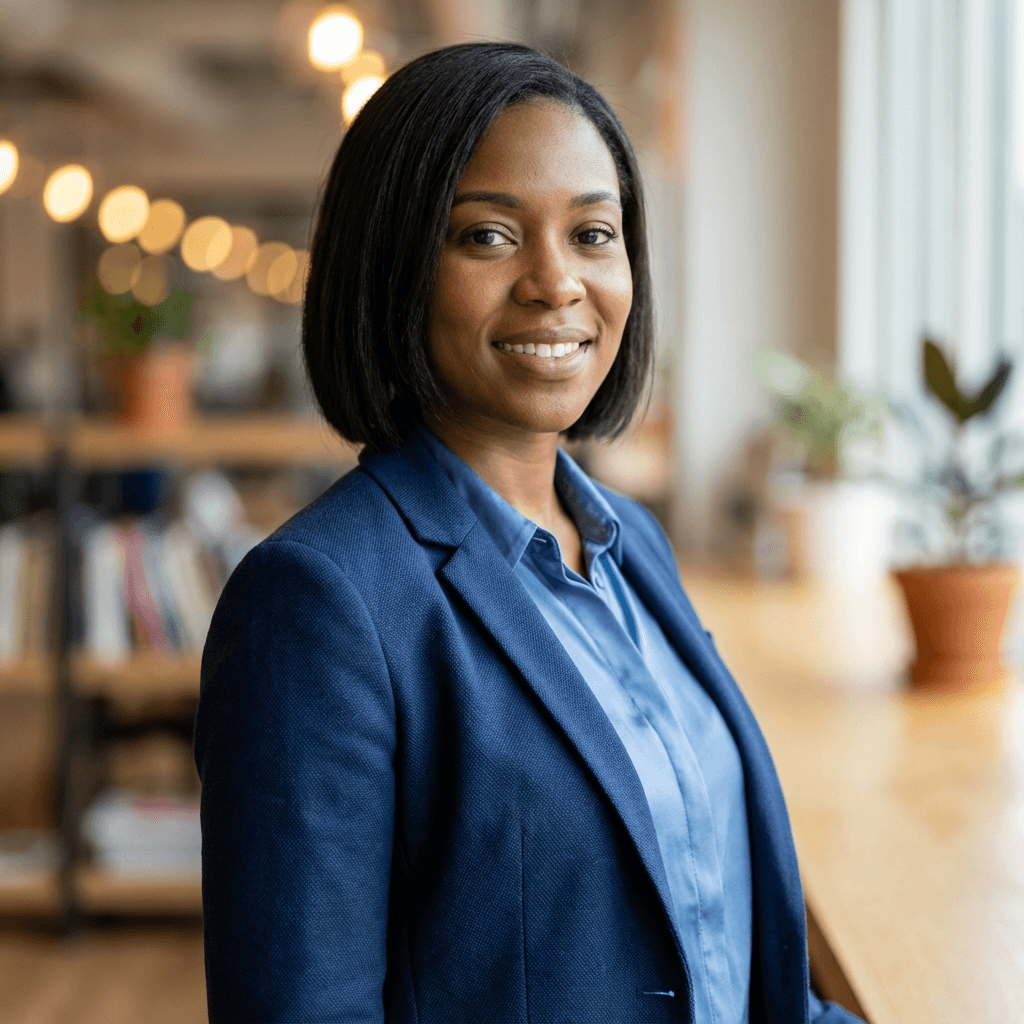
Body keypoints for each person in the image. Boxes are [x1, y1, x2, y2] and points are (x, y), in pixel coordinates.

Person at [195, 42, 863, 1024]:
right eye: (487, 236)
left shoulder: (631, 542)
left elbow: (736, 967)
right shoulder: (316, 601)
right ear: (393, 266)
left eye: (593, 233)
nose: (556, 283)